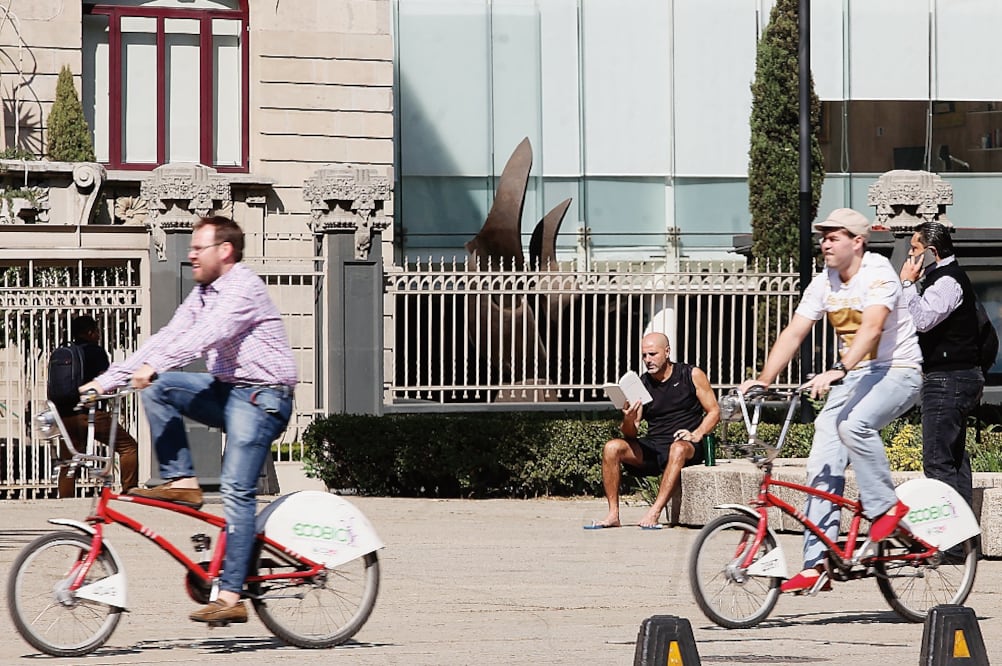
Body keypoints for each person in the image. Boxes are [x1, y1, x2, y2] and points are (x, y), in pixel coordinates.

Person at [80, 215, 298, 625]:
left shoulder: (242, 288)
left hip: (263, 397)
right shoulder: (202, 293)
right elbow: (167, 337)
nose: (191, 254)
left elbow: (207, 336)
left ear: (225, 250)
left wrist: (156, 364)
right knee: (160, 387)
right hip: (229, 392)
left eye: (199, 247)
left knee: (236, 490)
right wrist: (108, 381)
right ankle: (182, 480)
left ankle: (232, 595)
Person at [740, 208, 923, 594]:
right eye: (822, 237)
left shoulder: (878, 274)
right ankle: (817, 561)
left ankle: (886, 507)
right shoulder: (824, 282)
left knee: (853, 425)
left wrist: (838, 368)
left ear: (857, 242)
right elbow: (794, 332)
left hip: (898, 370)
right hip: (855, 375)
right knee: (823, 452)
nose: (824, 242)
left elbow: (873, 327)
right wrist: (762, 379)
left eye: (834, 236)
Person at [592, 332, 720, 529]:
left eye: (653, 354)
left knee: (677, 448)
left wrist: (697, 433)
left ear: (667, 352)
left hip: (688, 444)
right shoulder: (641, 383)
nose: (648, 360)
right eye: (644, 356)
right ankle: (613, 515)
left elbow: (714, 411)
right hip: (656, 445)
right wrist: (628, 418)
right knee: (612, 447)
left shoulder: (691, 375)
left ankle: (655, 511)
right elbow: (631, 433)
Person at [898, 221, 984, 507]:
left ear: (931, 251)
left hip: (948, 380)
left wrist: (907, 283)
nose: (909, 256)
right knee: (955, 460)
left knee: (937, 463)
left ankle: (951, 546)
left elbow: (922, 320)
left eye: (914, 249)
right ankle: (964, 545)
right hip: (955, 378)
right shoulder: (945, 278)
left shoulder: (947, 281)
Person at [55, 315, 139, 498]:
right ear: (90, 333)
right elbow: (106, 380)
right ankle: (129, 491)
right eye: (97, 331)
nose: (99, 335)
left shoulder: (65, 352)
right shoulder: (96, 352)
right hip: (91, 414)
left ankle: (65, 500)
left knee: (69, 460)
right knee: (128, 447)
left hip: (65, 415)